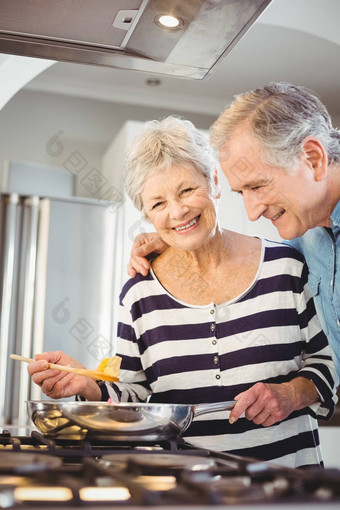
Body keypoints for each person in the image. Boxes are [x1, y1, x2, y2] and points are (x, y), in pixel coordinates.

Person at [28, 116, 338, 469]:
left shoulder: (287, 266)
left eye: (187, 190)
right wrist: (85, 384)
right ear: (146, 214)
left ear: (215, 182)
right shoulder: (139, 293)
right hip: (185, 492)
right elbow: (135, 397)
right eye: (158, 204)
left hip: (291, 485)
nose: (177, 211)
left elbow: (330, 364)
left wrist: (290, 394)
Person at [128, 82, 340, 377]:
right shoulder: (306, 233)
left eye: (257, 185)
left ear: (313, 159)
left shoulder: (292, 246)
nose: (252, 214)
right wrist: (181, 241)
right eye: (242, 192)